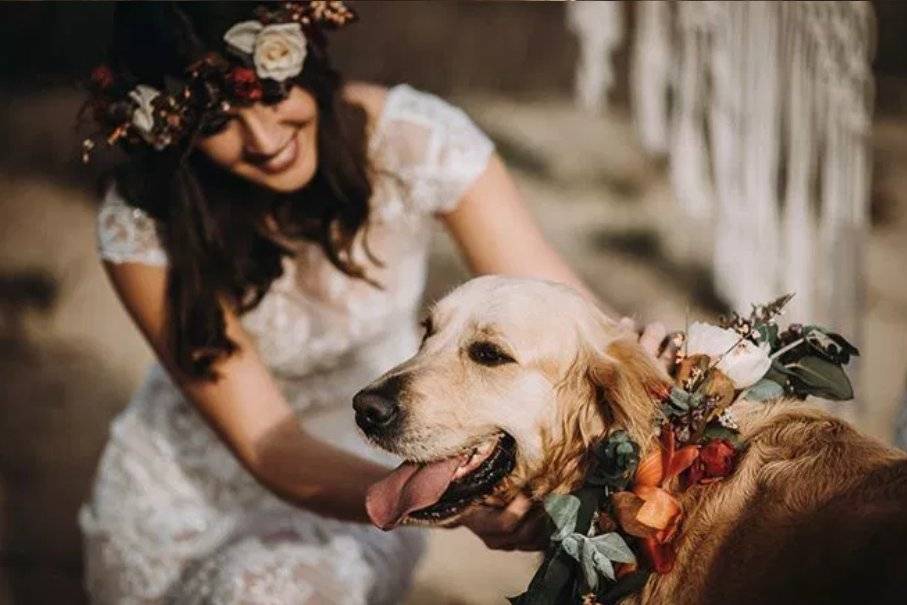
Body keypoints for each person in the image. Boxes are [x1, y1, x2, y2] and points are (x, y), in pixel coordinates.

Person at [78, 2, 667, 603]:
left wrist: (678, 375)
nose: (264, 138)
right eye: (217, 121)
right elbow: (272, 447)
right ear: (172, 131)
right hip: (186, 493)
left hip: (379, 456)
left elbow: (559, 310)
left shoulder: (415, 142)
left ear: (304, 60)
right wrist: (446, 505)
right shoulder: (142, 227)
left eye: (271, 92)